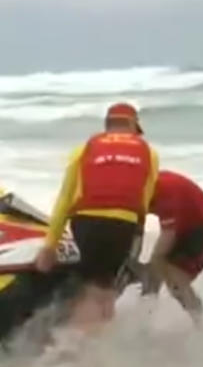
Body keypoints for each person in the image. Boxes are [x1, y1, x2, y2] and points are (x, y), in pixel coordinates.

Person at [35, 102, 159, 330]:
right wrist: (135, 238)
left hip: (86, 221)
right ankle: (93, 346)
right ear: (132, 125)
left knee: (89, 288)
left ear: (107, 125)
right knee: (106, 288)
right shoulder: (149, 153)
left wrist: (50, 246)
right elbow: (144, 201)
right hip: (124, 223)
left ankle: (75, 344)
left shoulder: (84, 149)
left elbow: (65, 199)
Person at [141, 170, 203, 327]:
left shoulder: (165, 189)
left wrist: (152, 265)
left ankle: (202, 327)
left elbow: (166, 239)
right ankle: (143, 322)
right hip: (183, 227)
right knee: (155, 273)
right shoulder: (133, 192)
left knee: (174, 276)